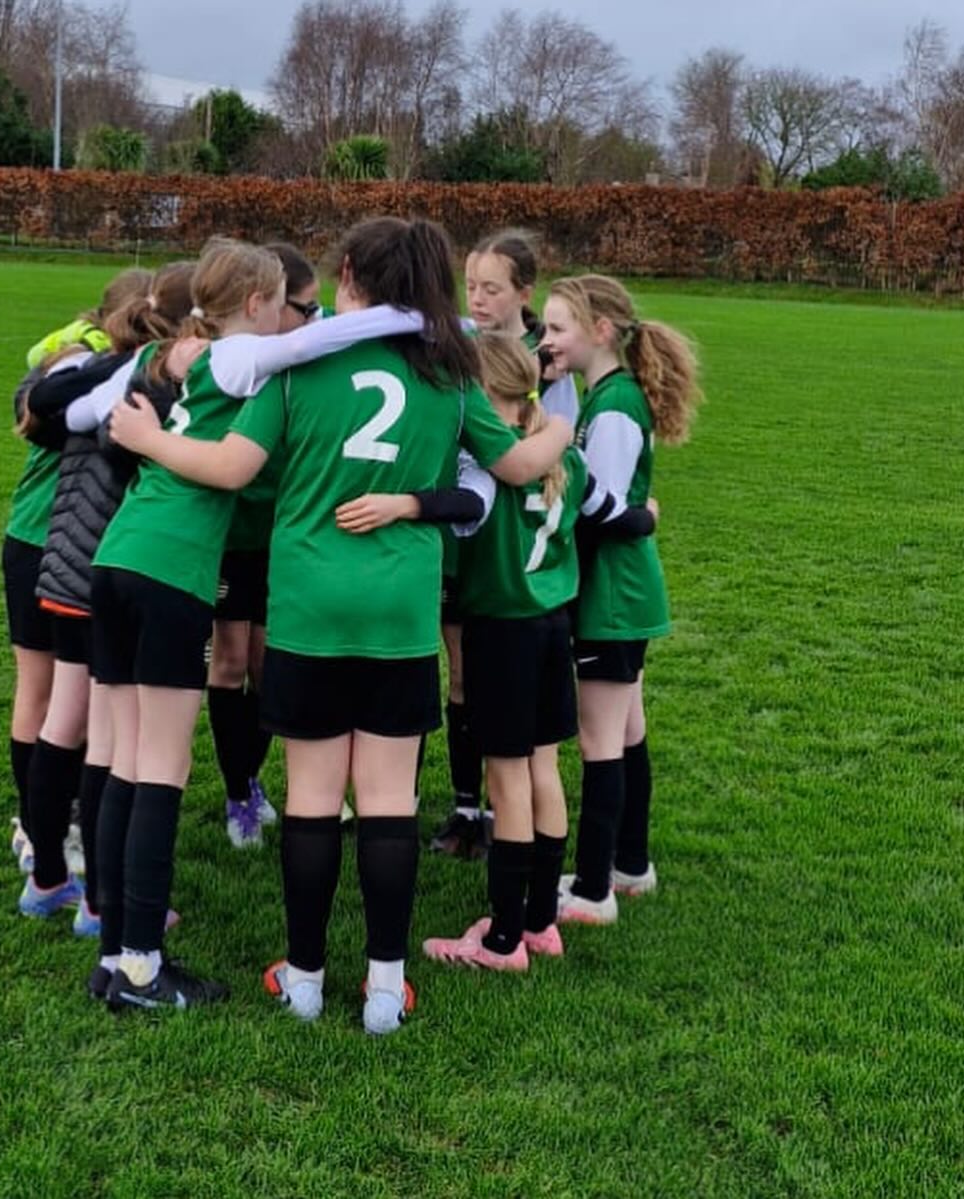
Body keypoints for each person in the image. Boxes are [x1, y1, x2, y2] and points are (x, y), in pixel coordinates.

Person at [108, 217, 575, 1034]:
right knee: (389, 799)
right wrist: (565, 419)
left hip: (307, 608)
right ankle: (386, 991)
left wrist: (151, 435)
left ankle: (307, 979)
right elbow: (515, 467)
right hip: (397, 609)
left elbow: (237, 467)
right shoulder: (452, 373)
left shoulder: (300, 366)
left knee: (316, 798)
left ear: (351, 274)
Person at [336, 331, 654, 971]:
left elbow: (466, 506)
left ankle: (504, 940)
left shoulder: (485, 461)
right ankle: (541, 923)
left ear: (481, 397)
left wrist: (407, 505)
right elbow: (613, 515)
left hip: (501, 632)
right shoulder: (567, 458)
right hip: (552, 629)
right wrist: (648, 517)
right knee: (543, 771)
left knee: (507, 781)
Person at [13, 264, 196, 934]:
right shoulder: (149, 383)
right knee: (106, 742)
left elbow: (40, 403)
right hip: (100, 569)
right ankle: (98, 902)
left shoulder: (90, 369)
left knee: (63, 721)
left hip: (60, 564)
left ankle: (47, 880)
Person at [539, 275, 701, 925]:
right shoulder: (611, 394)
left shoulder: (611, 406)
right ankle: (630, 864)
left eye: (556, 328)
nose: (546, 339)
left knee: (599, 737)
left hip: (611, 590)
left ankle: (594, 891)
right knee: (627, 730)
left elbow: (600, 509)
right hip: (626, 586)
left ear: (599, 332)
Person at [3, 268, 150, 873]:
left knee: (46, 695)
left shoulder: (65, 357)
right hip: (66, 544)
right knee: (68, 699)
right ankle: (47, 825)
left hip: (31, 539)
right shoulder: (108, 372)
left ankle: (42, 824)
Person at [432, 230, 546, 859]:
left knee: (492, 679)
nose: (476, 299)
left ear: (523, 295)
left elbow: (552, 448)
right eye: (470, 286)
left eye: (491, 289)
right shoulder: (458, 349)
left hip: (508, 556)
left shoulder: (537, 361)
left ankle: (512, 801)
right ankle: (465, 806)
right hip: (456, 545)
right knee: (458, 677)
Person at [210, 243, 321, 849]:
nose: (312, 320)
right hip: (233, 536)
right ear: (268, 306)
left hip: (284, 537)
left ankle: (247, 780)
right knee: (229, 663)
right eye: (305, 307)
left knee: (267, 669)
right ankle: (239, 795)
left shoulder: (299, 365)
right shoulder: (233, 363)